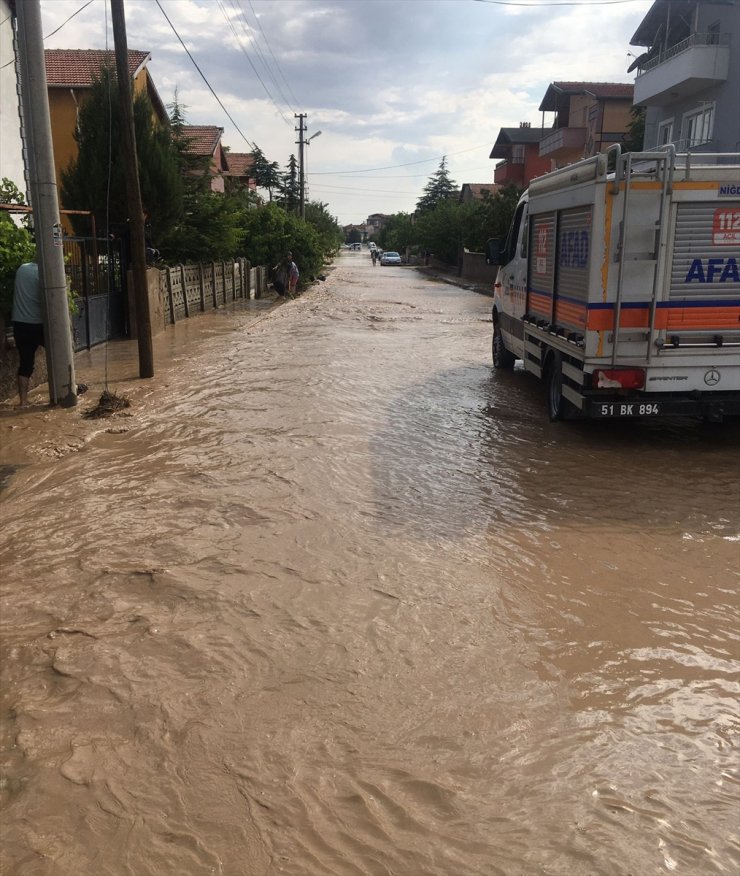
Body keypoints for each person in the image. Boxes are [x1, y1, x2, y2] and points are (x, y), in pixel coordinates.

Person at [11, 261, 44, 407]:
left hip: (19, 324)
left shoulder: (21, 269)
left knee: (25, 364)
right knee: (59, 356)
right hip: (39, 324)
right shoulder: (45, 273)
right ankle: (64, 394)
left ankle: (23, 402)